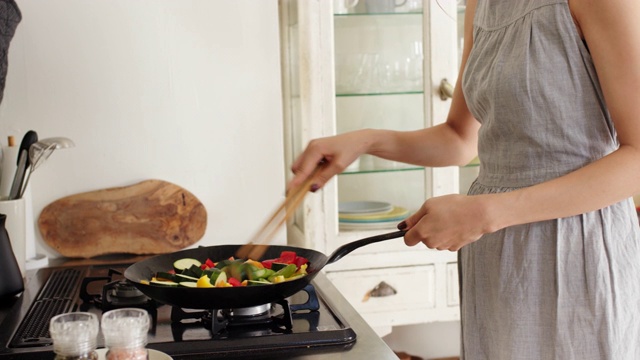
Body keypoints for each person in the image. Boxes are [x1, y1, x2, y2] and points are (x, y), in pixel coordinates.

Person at [287, 0, 640, 359]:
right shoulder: (481, 4)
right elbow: (458, 139)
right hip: (494, 249)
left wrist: (487, 213)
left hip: (576, 248)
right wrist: (365, 141)